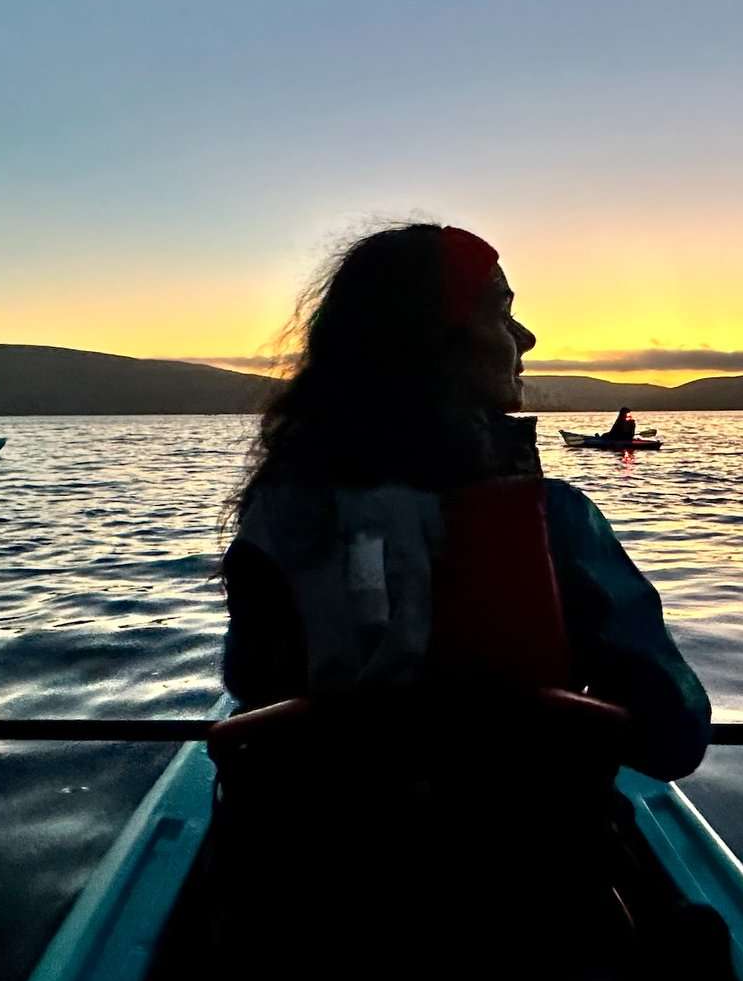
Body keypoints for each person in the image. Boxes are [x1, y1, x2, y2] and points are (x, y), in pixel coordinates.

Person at [222, 223, 709, 778]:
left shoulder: (278, 516)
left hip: (309, 849)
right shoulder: (560, 521)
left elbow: (250, 685)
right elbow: (675, 736)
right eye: (501, 312)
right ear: (436, 340)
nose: (525, 338)